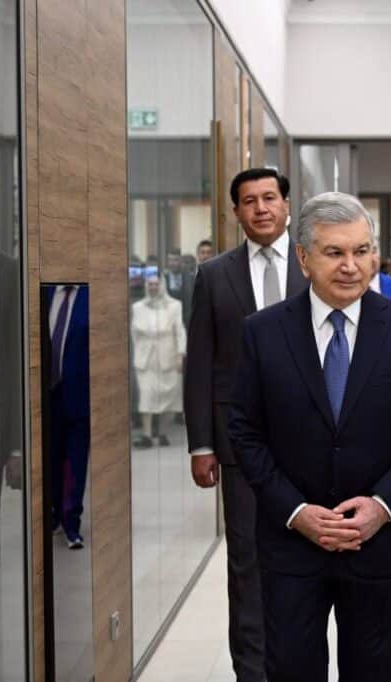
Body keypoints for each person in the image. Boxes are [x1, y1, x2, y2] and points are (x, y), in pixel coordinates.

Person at [228, 191, 391, 682]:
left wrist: (381, 506)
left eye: (362, 251)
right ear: (303, 258)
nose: (351, 266)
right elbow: (245, 433)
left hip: (379, 543)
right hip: (291, 544)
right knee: (292, 670)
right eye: (335, 252)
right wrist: (295, 511)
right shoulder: (263, 331)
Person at [185, 167, 308, 680]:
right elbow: (201, 362)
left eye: (270, 198)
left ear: (286, 205)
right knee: (247, 564)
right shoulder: (215, 275)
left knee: (307, 563)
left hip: (311, 441)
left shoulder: (313, 265)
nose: (261, 208)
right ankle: (252, 672)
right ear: (235, 212)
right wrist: (201, 445)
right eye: (249, 201)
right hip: (240, 444)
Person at [46, 283, 90, 550]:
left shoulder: (90, 295)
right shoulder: (45, 292)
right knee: (50, 457)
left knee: (75, 461)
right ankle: (52, 514)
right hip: (47, 395)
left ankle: (71, 520)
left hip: (79, 395)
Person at [131, 275, 186, 447]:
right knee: (146, 395)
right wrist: (140, 351)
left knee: (168, 396)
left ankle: (162, 433)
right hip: (146, 359)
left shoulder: (175, 305)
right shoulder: (137, 307)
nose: (153, 287)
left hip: (168, 356)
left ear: (161, 285)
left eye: (156, 284)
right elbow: (134, 334)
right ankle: (147, 435)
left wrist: (180, 354)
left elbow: (180, 331)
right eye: (150, 284)